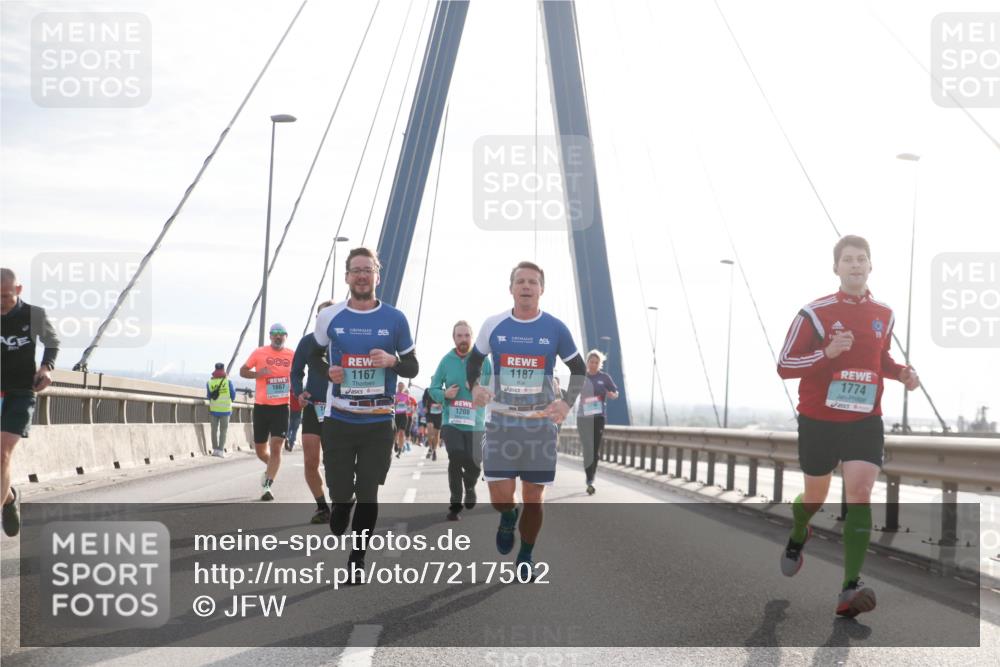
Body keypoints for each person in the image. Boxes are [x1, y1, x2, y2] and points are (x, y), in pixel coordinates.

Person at [776, 235, 920, 618]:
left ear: (870, 266)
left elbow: (880, 358)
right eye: (848, 260)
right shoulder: (814, 312)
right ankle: (798, 532)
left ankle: (849, 588)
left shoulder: (884, 314)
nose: (855, 265)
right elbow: (785, 364)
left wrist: (902, 372)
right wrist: (827, 353)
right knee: (815, 498)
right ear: (836, 268)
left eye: (862, 259)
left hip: (864, 419)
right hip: (819, 419)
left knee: (859, 491)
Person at [467, 261, 586, 578]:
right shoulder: (494, 325)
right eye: (520, 281)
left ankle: (526, 555)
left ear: (541, 289)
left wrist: (565, 403)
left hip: (539, 425)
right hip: (501, 422)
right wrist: (475, 387)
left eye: (533, 282)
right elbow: (474, 362)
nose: (526, 286)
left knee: (534, 498)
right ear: (511, 288)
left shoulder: (556, 328)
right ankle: (507, 517)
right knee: (500, 496)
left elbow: (579, 369)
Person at [313, 247, 418, 582]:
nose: (361, 275)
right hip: (340, 419)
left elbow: (413, 365)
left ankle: (356, 561)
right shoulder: (330, 317)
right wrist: (329, 370)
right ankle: (341, 505)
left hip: (378, 421)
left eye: (368, 269)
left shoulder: (395, 319)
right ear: (347, 276)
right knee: (341, 493)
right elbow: (311, 356)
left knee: (369, 490)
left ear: (377, 276)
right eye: (356, 270)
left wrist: (393, 362)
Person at [1, 268, 59, 537]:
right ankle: (9, 499)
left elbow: (52, 341)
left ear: (19, 290)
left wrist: (46, 368)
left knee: (2, 454)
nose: (0, 302)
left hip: (21, 391)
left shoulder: (33, 315)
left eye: (5, 296)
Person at [430, 320, 492, 521]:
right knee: (455, 455)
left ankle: (470, 485)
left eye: (466, 336)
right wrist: (444, 394)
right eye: (459, 336)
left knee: (475, 463)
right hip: (452, 421)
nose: (463, 340)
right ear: (453, 338)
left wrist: (480, 387)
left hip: (476, 423)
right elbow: (433, 388)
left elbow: (494, 389)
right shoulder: (446, 361)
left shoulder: (484, 362)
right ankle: (455, 503)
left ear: (472, 338)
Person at [291, 300, 335, 525]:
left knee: (335, 462)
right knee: (310, 461)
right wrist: (299, 392)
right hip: (312, 407)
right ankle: (322, 507)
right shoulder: (307, 342)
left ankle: (341, 499)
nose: (324, 320)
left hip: (337, 409)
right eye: (321, 316)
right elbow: (296, 372)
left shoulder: (342, 342)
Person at [240, 323, 294, 501]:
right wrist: (258, 374)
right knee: (261, 451)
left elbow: (298, 375)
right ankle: (271, 467)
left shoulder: (291, 355)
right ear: (270, 337)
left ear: (286, 336)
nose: (278, 337)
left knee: (276, 447)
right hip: (261, 407)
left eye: (281, 334)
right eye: (274, 334)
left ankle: (267, 485)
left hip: (281, 407)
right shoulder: (259, 352)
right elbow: (243, 371)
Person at [578, 350, 619, 495]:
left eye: (596, 362)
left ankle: (590, 478)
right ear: (587, 363)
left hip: (598, 418)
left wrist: (612, 394)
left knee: (594, 451)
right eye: (591, 362)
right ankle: (589, 479)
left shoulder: (604, 377)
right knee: (587, 448)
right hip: (583, 418)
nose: (594, 364)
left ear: (599, 364)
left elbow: (615, 392)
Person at [206, 362, 236, 457]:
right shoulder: (228, 382)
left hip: (214, 410)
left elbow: (208, 396)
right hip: (225, 410)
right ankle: (220, 450)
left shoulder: (209, 382)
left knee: (213, 430)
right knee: (223, 431)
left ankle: (215, 450)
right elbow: (233, 395)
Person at [423, 386, 444, 460]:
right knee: (430, 428)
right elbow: (424, 399)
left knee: (436, 434)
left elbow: (445, 400)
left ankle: (434, 450)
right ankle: (430, 448)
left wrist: (442, 405)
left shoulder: (442, 390)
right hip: (429, 413)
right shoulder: (427, 390)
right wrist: (424, 407)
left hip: (438, 414)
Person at [393, 382, 409, 458]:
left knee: (402, 433)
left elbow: (408, 405)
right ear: (397, 387)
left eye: (401, 386)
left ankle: (400, 449)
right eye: (399, 386)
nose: (400, 387)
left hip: (404, 415)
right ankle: (395, 443)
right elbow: (392, 405)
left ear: (403, 387)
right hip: (396, 415)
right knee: (396, 432)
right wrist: (395, 402)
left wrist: (408, 406)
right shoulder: (395, 395)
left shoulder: (406, 396)